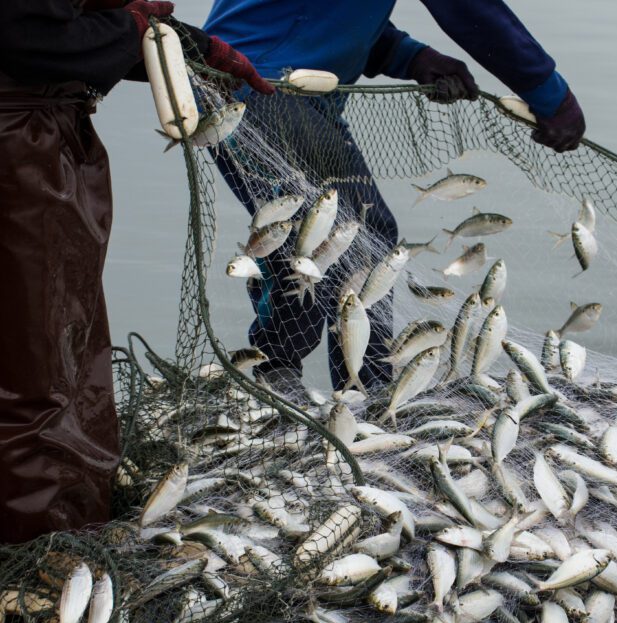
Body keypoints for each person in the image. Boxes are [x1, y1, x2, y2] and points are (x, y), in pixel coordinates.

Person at [204, 0, 587, 395]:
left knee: (332, 231)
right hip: (262, 88)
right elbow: (473, 10)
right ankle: (339, 388)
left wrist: (410, 56)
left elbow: (327, 12)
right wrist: (549, 94)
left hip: (258, 84)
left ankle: (320, 381)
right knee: (346, 234)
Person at [0, 0, 272, 545]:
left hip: (39, 132)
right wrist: (131, 30)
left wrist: (185, 44)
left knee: (57, 347)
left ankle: (64, 523)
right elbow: (20, 34)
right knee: (37, 367)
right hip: (17, 148)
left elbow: (60, 27)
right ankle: (40, 548)